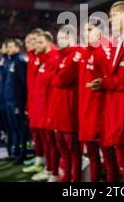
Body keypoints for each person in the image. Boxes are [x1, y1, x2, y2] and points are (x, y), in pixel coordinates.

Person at [88, 1, 124, 182]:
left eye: (113, 16)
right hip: (117, 114)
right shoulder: (118, 42)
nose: (110, 21)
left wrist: (105, 82)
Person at [79, 17, 118, 182]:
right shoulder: (85, 52)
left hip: (101, 115)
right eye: (84, 31)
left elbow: (112, 80)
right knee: (93, 156)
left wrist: (103, 83)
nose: (85, 34)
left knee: (109, 159)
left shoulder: (105, 49)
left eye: (90, 30)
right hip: (87, 114)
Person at [48, 25, 82, 182]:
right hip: (58, 111)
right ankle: (65, 178)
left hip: (69, 112)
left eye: (65, 37)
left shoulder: (76, 54)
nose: (61, 40)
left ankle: (75, 180)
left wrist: (55, 78)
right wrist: (55, 78)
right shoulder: (59, 56)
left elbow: (62, 79)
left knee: (73, 151)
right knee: (64, 151)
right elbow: (54, 79)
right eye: (59, 37)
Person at [29, 31, 60, 182]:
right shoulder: (42, 58)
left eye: (40, 42)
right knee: (45, 142)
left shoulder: (54, 59)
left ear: (48, 42)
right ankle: (48, 169)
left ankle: (53, 172)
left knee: (51, 143)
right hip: (39, 108)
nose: (36, 45)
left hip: (48, 109)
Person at [23, 29, 46, 173]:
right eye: (27, 41)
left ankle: (47, 165)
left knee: (47, 138)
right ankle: (39, 158)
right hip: (33, 103)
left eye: (33, 41)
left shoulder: (45, 57)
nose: (30, 44)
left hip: (43, 105)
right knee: (36, 134)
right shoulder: (32, 57)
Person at [3, 38, 28, 164]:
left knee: (20, 128)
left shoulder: (20, 61)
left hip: (17, 101)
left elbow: (24, 83)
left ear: (18, 47)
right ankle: (15, 152)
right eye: (7, 47)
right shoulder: (11, 62)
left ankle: (22, 154)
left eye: (11, 46)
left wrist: (23, 101)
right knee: (13, 128)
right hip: (9, 100)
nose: (8, 49)